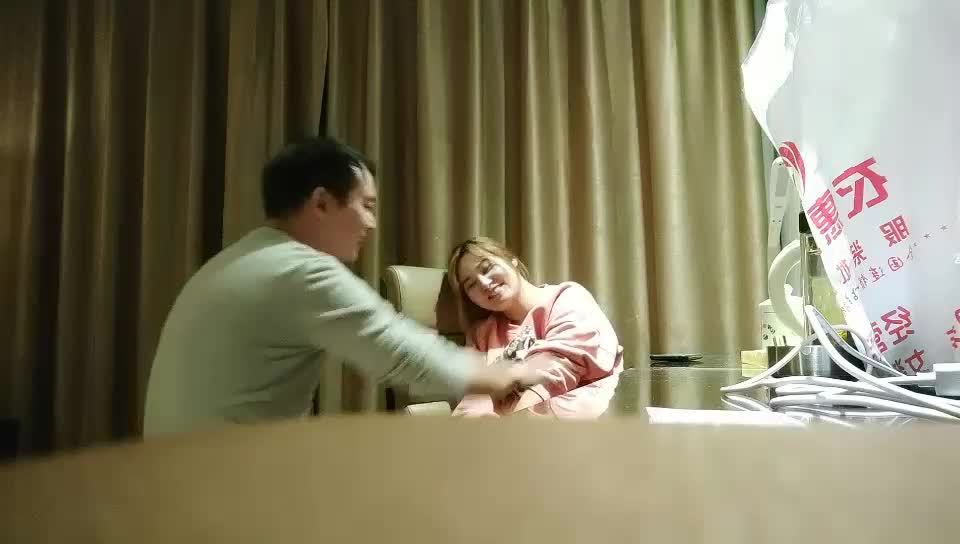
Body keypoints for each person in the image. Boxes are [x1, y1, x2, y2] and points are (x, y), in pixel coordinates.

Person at [142, 138, 543, 435]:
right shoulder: (301, 271)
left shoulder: (236, 260)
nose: (371, 222)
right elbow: (402, 353)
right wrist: (510, 373)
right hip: (229, 486)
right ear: (321, 203)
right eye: (365, 205)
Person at [447, 237, 624, 418]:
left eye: (487, 268)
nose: (484, 283)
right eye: (471, 284)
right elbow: (475, 397)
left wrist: (516, 424)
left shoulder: (567, 298)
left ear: (512, 260)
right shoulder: (481, 334)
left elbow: (558, 369)